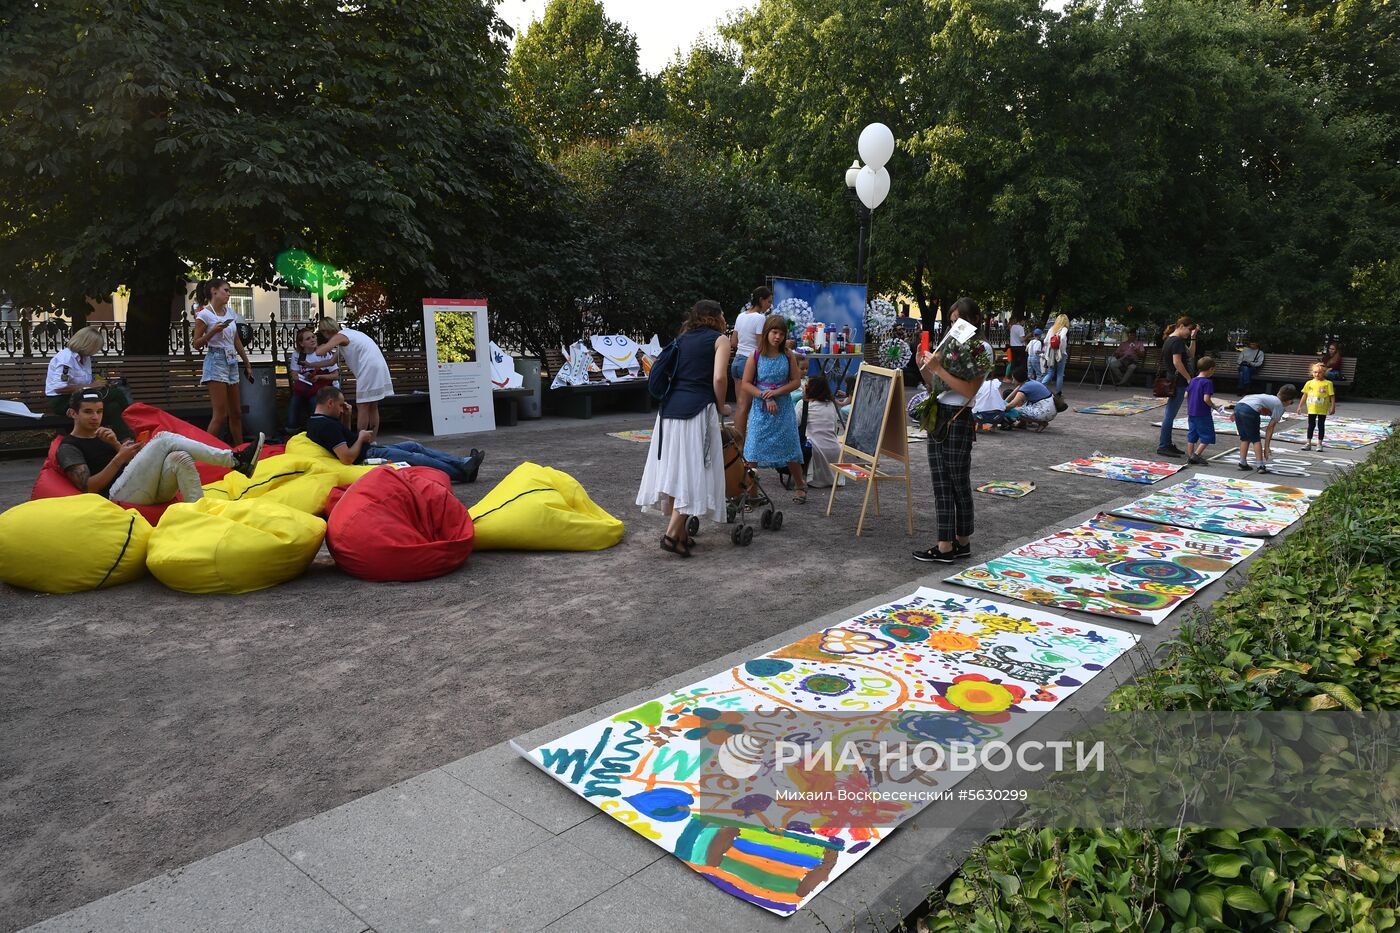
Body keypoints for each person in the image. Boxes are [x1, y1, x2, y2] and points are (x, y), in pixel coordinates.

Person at [637, 300, 732, 557]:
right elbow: (719, 377)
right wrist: (722, 406)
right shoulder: (720, 340)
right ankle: (670, 535)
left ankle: (681, 535)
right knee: (692, 472)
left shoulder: (682, 338)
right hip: (697, 412)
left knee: (675, 470)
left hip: (668, 413)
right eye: (722, 313)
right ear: (715, 316)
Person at [57, 389, 262, 505]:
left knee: (180, 457)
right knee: (163, 438)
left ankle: (200, 515)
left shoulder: (104, 436)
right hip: (116, 497)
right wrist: (118, 457)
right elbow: (88, 488)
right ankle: (235, 460)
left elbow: (129, 466)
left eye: (99, 412)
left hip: (140, 487)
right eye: (88, 412)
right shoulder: (69, 447)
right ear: (72, 414)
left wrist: (116, 445)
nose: (95, 417)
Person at [913, 297, 991, 564]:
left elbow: (969, 390)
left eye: (959, 320)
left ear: (974, 320)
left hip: (959, 417)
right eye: (952, 320)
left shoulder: (982, 348)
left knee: (958, 482)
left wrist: (937, 368)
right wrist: (924, 367)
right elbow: (936, 386)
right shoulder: (949, 346)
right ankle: (944, 545)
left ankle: (962, 541)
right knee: (940, 483)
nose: (955, 325)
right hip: (939, 411)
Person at [306, 387, 483, 482]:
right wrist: (361, 438)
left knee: (414, 446)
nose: (341, 409)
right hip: (368, 455)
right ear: (330, 403)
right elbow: (346, 458)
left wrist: (347, 417)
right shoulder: (327, 426)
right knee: (415, 457)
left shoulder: (317, 421)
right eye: (340, 405)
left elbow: (343, 437)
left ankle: (463, 463)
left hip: (370, 451)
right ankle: (462, 473)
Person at [740, 314, 809, 504]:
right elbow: (746, 383)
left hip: (783, 407)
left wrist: (776, 392)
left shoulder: (787, 355)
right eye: (774, 332)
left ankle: (800, 485)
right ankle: (752, 493)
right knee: (753, 450)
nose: (777, 337)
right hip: (760, 408)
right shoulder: (755, 355)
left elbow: (795, 382)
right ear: (767, 333)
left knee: (790, 446)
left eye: (781, 333)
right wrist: (764, 395)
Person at [191, 279, 255, 446]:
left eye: (229, 290)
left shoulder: (230, 312)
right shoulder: (204, 315)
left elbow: (236, 340)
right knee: (220, 415)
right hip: (216, 360)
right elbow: (196, 344)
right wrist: (212, 332)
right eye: (226, 290)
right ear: (214, 291)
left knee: (236, 413)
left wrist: (247, 363)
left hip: (231, 361)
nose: (229, 293)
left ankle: (240, 451)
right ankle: (202, 454)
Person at [44, 326, 133, 438]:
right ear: (88, 344)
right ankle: (136, 420)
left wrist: (99, 383)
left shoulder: (85, 358)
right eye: (96, 347)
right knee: (117, 394)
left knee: (113, 407)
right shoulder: (66, 359)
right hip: (62, 401)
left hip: (80, 396)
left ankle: (126, 440)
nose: (97, 350)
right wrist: (90, 386)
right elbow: (59, 388)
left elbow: (85, 381)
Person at [315, 318, 393, 440]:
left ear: (326, 330)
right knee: (373, 406)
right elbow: (331, 361)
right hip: (377, 365)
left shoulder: (340, 336)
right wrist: (309, 365)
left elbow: (320, 352)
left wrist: (317, 344)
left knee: (362, 406)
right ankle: (371, 441)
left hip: (368, 368)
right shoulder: (348, 334)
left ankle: (361, 442)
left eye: (323, 332)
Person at [1155, 316, 1198, 458]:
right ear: (1181, 326)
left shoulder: (1171, 339)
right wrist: (1188, 378)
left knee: (1170, 413)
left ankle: (1166, 444)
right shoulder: (1177, 341)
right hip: (1177, 381)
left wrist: (1193, 338)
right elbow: (1177, 363)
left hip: (1172, 380)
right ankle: (1163, 445)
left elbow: (1191, 354)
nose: (1189, 332)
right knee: (1170, 415)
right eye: (1189, 329)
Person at [730, 288, 770, 438]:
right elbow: (761, 346)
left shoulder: (741, 316)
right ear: (761, 300)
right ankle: (740, 445)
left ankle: (737, 444)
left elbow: (733, 342)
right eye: (768, 301)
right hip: (749, 362)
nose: (769, 305)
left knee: (740, 406)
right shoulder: (760, 318)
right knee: (744, 407)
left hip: (737, 361)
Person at [285, 327, 340, 434]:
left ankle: (317, 432)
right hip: (305, 388)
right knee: (294, 402)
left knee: (314, 402)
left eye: (313, 337)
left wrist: (319, 377)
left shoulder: (323, 353)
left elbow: (335, 375)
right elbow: (294, 374)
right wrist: (302, 376)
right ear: (301, 343)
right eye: (308, 339)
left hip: (322, 389)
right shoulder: (298, 355)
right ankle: (292, 432)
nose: (312, 340)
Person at [1231, 386, 1298, 473]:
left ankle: (1242, 463)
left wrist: (1235, 413)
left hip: (1238, 407)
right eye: (1292, 402)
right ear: (1289, 401)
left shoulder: (1270, 398)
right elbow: (1270, 428)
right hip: (1250, 410)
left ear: (1279, 393)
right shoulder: (1279, 406)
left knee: (1245, 438)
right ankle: (1260, 465)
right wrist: (1266, 448)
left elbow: (1248, 399)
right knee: (1256, 439)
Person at [801, 376, 846, 488]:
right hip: (835, 449)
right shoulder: (831, 405)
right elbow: (834, 427)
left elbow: (793, 425)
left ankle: (803, 475)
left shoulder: (803, 404)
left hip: (815, 448)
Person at [1185, 357, 1223, 464]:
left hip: (1191, 412)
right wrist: (1214, 406)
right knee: (1208, 435)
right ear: (1210, 369)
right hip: (1202, 413)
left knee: (1192, 435)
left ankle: (1190, 456)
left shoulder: (1192, 381)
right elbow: (1206, 399)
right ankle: (1196, 455)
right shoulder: (1207, 382)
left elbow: (1186, 395)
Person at [1297, 361, 1336, 451]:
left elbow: (1332, 396)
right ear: (1312, 372)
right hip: (1312, 408)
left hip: (1322, 408)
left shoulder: (1328, 383)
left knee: (1321, 425)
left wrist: (1332, 406)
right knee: (1311, 425)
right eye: (1315, 372)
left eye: (1319, 372)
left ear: (1324, 373)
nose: (1317, 374)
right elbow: (1305, 395)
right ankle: (1308, 443)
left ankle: (1319, 443)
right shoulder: (1309, 383)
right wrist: (1300, 406)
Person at [1043, 314, 1070, 395]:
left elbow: (1045, 341)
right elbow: (1062, 338)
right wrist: (1061, 349)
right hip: (1060, 353)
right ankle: (1058, 392)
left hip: (1051, 353)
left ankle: (1042, 386)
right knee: (1060, 373)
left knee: (1050, 372)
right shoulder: (1064, 329)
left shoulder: (1052, 329)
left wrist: (1050, 347)